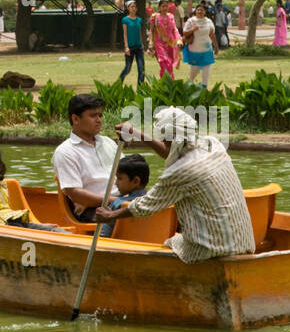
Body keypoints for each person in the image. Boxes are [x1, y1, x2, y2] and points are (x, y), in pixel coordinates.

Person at [95, 106, 254, 263]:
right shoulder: (214, 146)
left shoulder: (179, 173)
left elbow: (145, 206)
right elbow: (172, 152)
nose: (163, 143)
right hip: (245, 242)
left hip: (213, 249)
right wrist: (136, 133)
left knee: (169, 242)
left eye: (164, 139)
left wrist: (111, 215)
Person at [51, 93, 119, 221]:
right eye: (93, 116)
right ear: (75, 119)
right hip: (93, 210)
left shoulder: (108, 142)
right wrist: (116, 201)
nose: (99, 120)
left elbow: (126, 173)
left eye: (100, 115)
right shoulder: (65, 152)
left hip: (121, 200)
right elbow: (76, 194)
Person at [99, 155, 150, 235]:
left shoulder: (118, 204)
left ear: (136, 181)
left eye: (119, 178)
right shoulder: (155, 202)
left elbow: (103, 234)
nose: (116, 183)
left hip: (119, 244)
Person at [182, 1, 219, 85]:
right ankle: (189, 84)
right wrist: (193, 29)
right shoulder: (191, 21)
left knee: (207, 68)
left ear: (205, 12)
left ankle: (204, 87)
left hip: (207, 49)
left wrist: (216, 47)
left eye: (201, 10)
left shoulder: (209, 21)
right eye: (198, 9)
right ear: (195, 11)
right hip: (195, 50)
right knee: (194, 70)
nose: (199, 11)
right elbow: (185, 33)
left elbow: (212, 35)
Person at [150, 0, 181, 79]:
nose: (165, 8)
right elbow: (151, 30)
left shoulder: (171, 16)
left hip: (170, 44)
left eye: (166, 6)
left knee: (169, 64)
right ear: (159, 7)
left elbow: (174, 29)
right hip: (159, 44)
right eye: (163, 6)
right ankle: (169, 82)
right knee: (164, 64)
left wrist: (178, 40)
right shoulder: (155, 17)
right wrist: (150, 42)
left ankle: (166, 83)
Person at [119, 0, 146, 86]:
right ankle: (119, 83)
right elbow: (125, 34)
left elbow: (139, 33)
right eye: (131, 7)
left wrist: (142, 43)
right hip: (130, 48)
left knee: (141, 69)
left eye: (135, 7)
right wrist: (126, 47)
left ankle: (140, 89)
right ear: (128, 8)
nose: (133, 8)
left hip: (138, 47)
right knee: (128, 68)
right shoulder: (125, 20)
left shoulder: (139, 20)